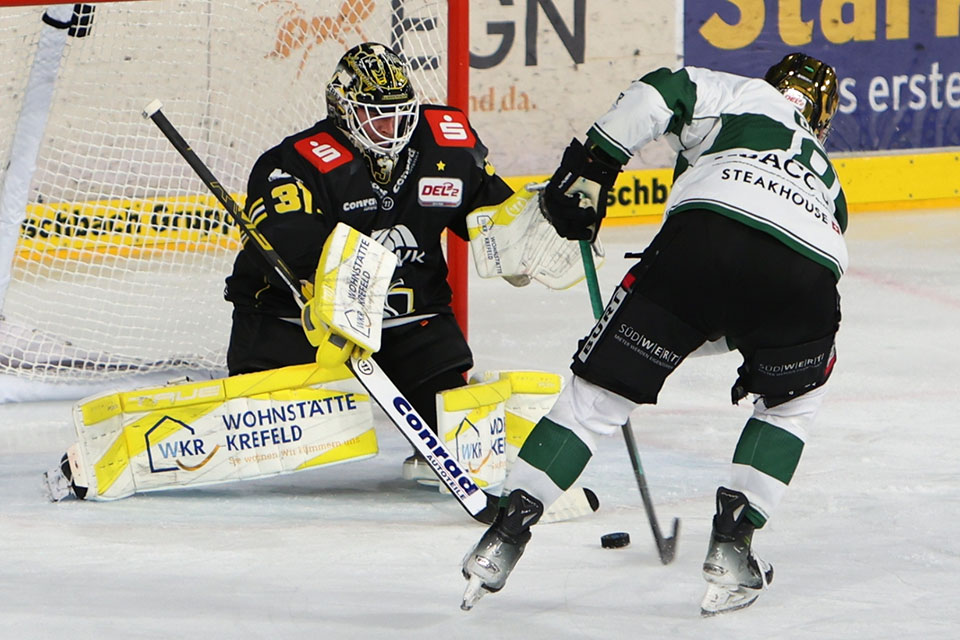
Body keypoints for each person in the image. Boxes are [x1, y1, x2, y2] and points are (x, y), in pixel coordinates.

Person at [460, 52, 845, 616]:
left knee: (594, 401)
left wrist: (594, 164)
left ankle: (504, 536)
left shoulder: (741, 95)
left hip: (698, 245)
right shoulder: (830, 181)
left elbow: (658, 91)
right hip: (806, 274)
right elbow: (759, 295)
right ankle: (733, 548)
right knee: (790, 405)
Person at [224, 42, 514, 483]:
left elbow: (497, 218)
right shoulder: (294, 164)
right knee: (260, 438)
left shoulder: (447, 147)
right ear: (342, 109)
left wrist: (543, 226)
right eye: (377, 115)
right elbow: (286, 244)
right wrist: (331, 297)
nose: (392, 128)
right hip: (300, 323)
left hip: (409, 318)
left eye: (400, 114)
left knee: (458, 435)